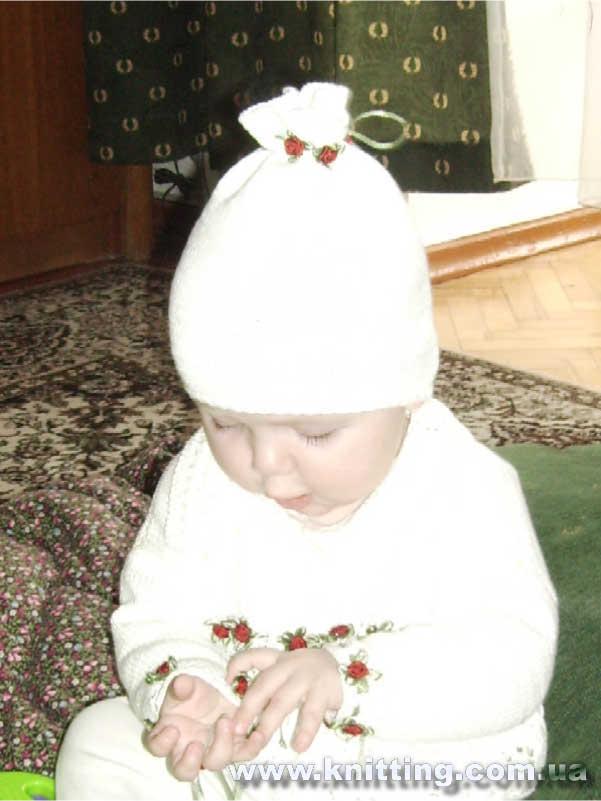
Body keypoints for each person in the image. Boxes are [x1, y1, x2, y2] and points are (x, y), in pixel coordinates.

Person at [55, 83, 558, 800]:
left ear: (409, 393)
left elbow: (509, 657)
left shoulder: (463, 489)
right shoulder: (201, 479)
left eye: (316, 432)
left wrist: (344, 680)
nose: (264, 464)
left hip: (414, 753)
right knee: (99, 742)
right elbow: (155, 609)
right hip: (243, 737)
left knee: (312, 770)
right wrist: (184, 683)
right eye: (225, 422)